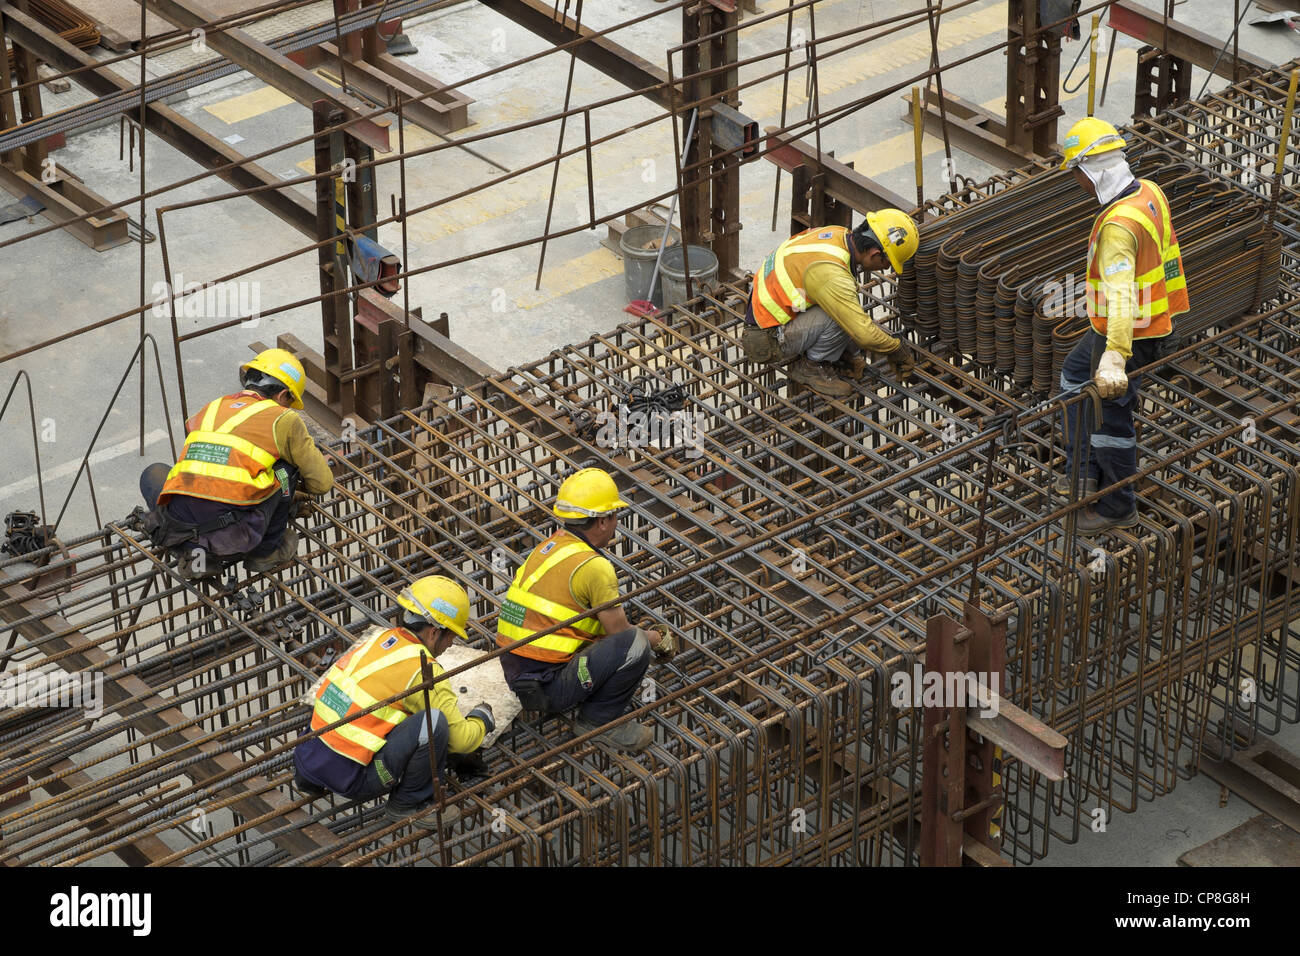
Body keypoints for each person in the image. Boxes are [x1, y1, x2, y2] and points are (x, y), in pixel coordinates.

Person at [1057, 117, 1188, 534]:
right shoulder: (1149, 191)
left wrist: (1114, 358)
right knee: (1075, 376)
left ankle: (1117, 506)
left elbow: (1120, 297)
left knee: (1109, 414)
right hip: (1153, 321)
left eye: (1075, 172)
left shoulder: (1116, 226)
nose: (1074, 182)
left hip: (1130, 333)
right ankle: (1082, 474)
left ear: (1088, 172)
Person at [293, 575, 495, 828]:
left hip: (309, 757)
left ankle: (307, 780)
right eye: (451, 636)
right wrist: (482, 719)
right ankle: (409, 804)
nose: (451, 643)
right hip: (356, 779)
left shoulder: (378, 641)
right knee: (434, 724)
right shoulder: (423, 670)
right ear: (434, 632)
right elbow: (461, 742)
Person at [496, 467, 675, 754]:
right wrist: (656, 638)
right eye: (614, 515)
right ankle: (599, 721)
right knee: (635, 644)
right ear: (603, 521)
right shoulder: (594, 566)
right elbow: (620, 633)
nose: (616, 523)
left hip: (517, 675)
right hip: (549, 688)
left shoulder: (550, 547)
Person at [138, 349, 333, 578]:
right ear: (282, 395)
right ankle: (264, 552)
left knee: (155, 473)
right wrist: (289, 491)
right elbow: (321, 483)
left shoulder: (212, 407)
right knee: (285, 471)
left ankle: (195, 555)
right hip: (234, 531)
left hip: (180, 523)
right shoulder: (284, 419)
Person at [741, 208, 920, 397]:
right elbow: (863, 333)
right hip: (764, 339)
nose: (886, 268)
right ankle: (811, 367)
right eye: (887, 263)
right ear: (875, 254)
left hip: (768, 310)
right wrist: (894, 347)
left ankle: (835, 353)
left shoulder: (838, 234)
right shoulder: (832, 275)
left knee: (842, 305)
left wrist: (850, 351)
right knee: (841, 315)